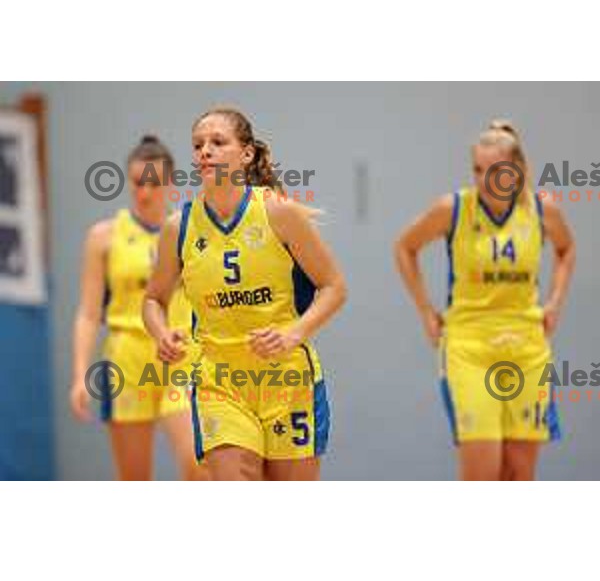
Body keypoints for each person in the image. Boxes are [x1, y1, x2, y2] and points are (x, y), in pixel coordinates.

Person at [143, 108, 347, 480]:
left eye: (218, 142)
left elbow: (334, 286)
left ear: (247, 153)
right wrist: (161, 333)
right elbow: (153, 299)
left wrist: (294, 333)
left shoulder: (278, 213)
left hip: (286, 381)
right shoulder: (180, 227)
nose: (205, 151)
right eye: (198, 145)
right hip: (220, 383)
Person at [394, 120, 576, 480]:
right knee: (483, 473)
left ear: (517, 169)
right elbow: (404, 246)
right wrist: (426, 311)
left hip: (527, 348)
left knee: (519, 472)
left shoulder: (541, 210)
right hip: (470, 347)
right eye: (477, 169)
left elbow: (567, 249)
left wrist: (555, 301)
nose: (483, 178)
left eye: (494, 169)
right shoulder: (455, 208)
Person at [70, 135, 209, 481]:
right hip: (127, 359)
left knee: (198, 462)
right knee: (134, 479)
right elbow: (89, 313)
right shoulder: (104, 236)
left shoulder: (191, 231)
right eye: (137, 182)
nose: (144, 192)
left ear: (171, 183)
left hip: (179, 354)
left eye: (154, 183)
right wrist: (79, 375)